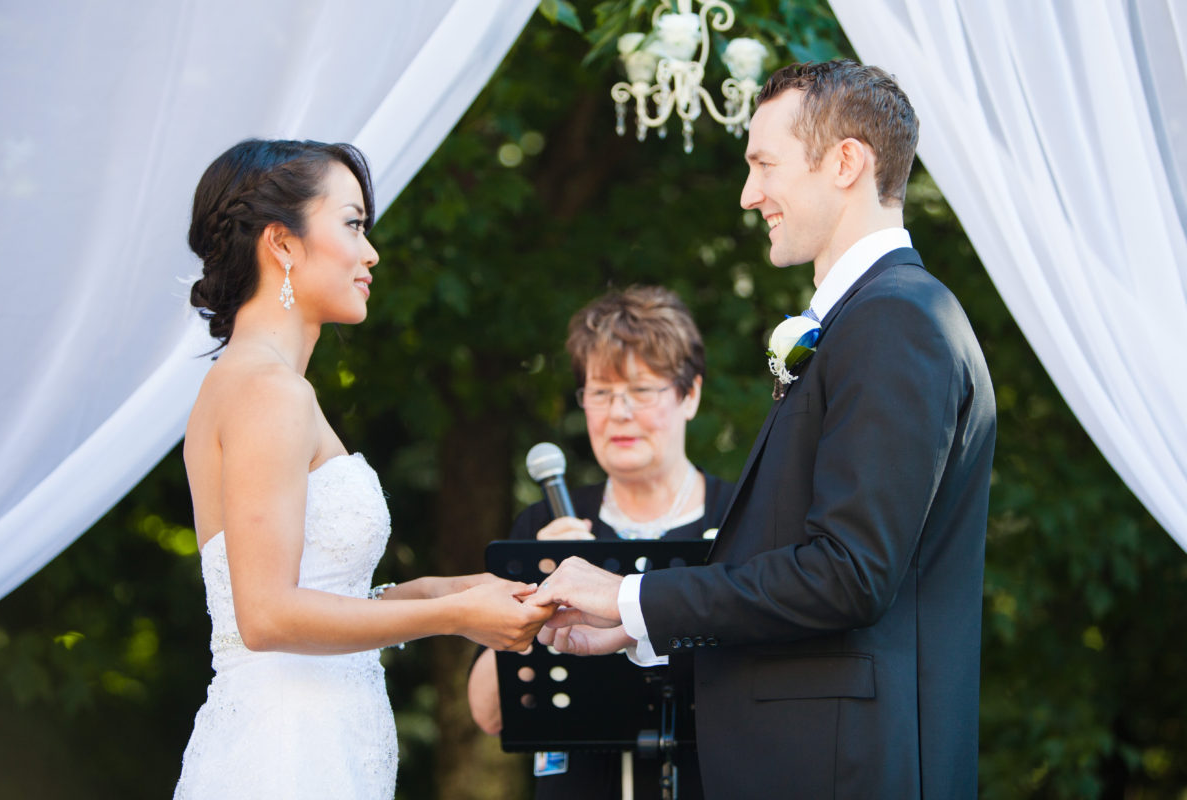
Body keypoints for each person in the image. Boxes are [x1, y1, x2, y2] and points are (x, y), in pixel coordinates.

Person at [528, 60, 996, 799]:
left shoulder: (896, 321)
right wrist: (638, 631)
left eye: (764, 165)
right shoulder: (868, 319)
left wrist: (631, 598)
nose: (750, 195)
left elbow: (848, 573)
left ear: (846, 161)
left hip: (844, 772)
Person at [174, 139, 552, 799]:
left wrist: (444, 593)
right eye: (352, 224)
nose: (371, 252)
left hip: (317, 743)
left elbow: (306, 594)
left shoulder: (259, 384)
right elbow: (265, 615)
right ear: (282, 244)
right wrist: (452, 615)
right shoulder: (268, 391)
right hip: (287, 756)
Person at [466, 286, 735, 799]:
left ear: (690, 394)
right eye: (602, 392)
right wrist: (535, 594)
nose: (619, 412)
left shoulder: (739, 518)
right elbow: (487, 712)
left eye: (641, 390)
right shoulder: (545, 526)